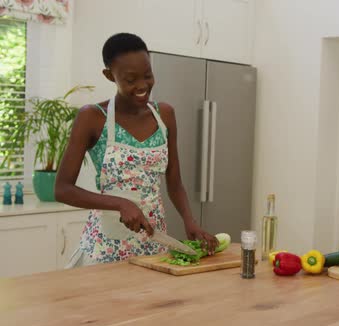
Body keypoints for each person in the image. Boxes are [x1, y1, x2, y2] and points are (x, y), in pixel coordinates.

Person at [55, 33, 218, 266]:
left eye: (148, 75)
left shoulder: (165, 115)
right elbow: (62, 189)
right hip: (105, 248)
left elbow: (174, 182)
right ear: (110, 76)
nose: (142, 86)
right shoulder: (92, 117)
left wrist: (189, 221)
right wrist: (120, 203)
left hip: (154, 245)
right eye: (131, 80)